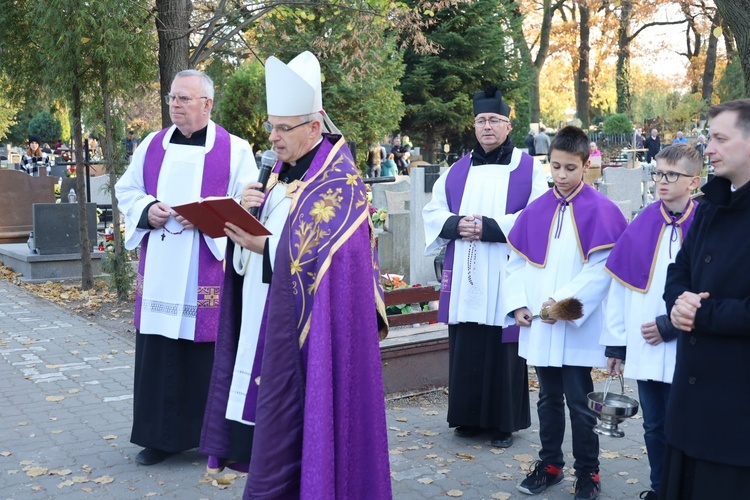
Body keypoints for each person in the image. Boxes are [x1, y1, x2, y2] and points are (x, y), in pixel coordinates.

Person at [210, 51, 391, 499]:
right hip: (264, 321)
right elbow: (256, 254)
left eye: (282, 128)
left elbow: (331, 261)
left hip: (305, 342)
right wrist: (245, 220)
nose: (272, 137)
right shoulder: (277, 174)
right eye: (271, 126)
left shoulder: (341, 184)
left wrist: (264, 245)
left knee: (298, 434)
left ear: (315, 127)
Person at [115, 69, 256, 466]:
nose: (175, 105)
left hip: (206, 268)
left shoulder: (236, 149)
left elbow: (247, 205)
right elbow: (127, 189)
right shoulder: (151, 144)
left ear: (207, 104)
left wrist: (207, 216)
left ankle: (211, 439)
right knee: (159, 351)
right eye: (172, 98)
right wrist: (147, 209)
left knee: (205, 353)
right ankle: (157, 438)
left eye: (184, 99)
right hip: (161, 266)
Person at [504, 126, 627, 500]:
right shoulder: (535, 209)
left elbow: (601, 270)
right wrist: (519, 304)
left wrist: (561, 304)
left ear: (586, 164)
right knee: (546, 398)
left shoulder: (602, 211)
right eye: (555, 166)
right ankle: (550, 464)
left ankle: (588, 473)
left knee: (579, 399)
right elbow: (515, 261)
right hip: (541, 324)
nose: (561, 175)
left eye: (569, 168)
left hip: (574, 324)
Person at [423, 85, 548, 449]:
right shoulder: (457, 170)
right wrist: (456, 224)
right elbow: (434, 212)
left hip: (505, 268)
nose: (487, 126)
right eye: (481, 120)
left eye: (495, 120)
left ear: (509, 126)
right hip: (466, 269)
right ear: (474, 126)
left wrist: (490, 228)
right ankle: (466, 418)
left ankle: (502, 423)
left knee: (502, 344)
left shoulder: (528, 169)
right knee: (467, 339)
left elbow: (536, 215)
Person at [601, 144, 702, 500]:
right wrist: (616, 344)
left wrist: (671, 326)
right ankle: (660, 488)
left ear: (695, 180)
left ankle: (685, 490)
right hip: (644, 346)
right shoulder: (643, 221)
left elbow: (714, 288)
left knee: (689, 425)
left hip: (687, 347)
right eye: (658, 172)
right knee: (653, 424)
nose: (662, 180)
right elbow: (619, 286)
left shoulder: (706, 223)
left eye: (672, 174)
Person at [661, 98, 750, 499]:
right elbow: (679, 270)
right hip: (691, 402)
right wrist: (679, 302)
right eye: (707, 138)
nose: (707, 149)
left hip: (736, 409)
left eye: (718, 138)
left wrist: (702, 314)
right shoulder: (713, 203)